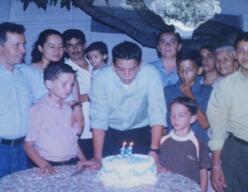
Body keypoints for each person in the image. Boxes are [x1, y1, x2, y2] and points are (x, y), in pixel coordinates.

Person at [83, 41, 166, 169]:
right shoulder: (101, 79)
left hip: (141, 133)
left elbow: (157, 113)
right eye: (121, 69)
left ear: (140, 65)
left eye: (132, 69)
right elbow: (98, 119)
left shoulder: (151, 74)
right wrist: (97, 158)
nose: (127, 75)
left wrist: (154, 151)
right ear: (113, 65)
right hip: (110, 134)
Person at [24, 63, 87, 175]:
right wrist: (44, 165)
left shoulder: (70, 109)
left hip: (72, 163)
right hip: (48, 165)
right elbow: (28, 145)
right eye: (64, 84)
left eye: (72, 85)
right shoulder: (38, 110)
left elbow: (73, 142)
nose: (69, 89)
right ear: (49, 84)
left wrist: (83, 160)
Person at [207, 32, 248, 192]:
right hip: (236, 151)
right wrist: (216, 166)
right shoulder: (225, 86)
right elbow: (218, 127)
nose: (246, 55)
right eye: (241, 50)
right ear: (235, 55)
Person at [0, 22, 31, 177]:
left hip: (22, 149)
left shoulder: (25, 74)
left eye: (23, 44)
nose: (23, 50)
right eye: (17, 45)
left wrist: (76, 106)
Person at [160, 96, 211, 192]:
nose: (175, 119)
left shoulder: (198, 143)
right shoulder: (163, 140)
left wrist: (203, 190)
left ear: (192, 119)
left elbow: (203, 171)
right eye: (172, 114)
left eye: (181, 115)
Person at [165, 49, 212, 144]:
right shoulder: (168, 91)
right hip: (174, 144)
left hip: (199, 145)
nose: (184, 75)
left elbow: (205, 125)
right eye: (180, 70)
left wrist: (190, 96)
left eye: (189, 70)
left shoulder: (207, 91)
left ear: (199, 70)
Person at [63, 29, 93, 159]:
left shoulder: (96, 62)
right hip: (81, 128)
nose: (75, 49)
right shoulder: (65, 69)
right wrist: (89, 97)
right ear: (65, 49)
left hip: (102, 126)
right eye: (70, 45)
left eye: (78, 44)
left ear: (85, 45)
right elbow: (63, 98)